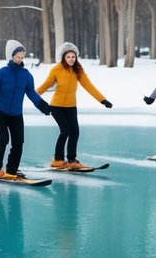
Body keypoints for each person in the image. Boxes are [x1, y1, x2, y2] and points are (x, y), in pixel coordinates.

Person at [0, 39, 52, 179]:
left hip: (15, 113)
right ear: (11, 56)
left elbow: (32, 93)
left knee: (19, 142)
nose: (20, 59)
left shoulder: (26, 75)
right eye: (18, 56)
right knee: (3, 138)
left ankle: (12, 170)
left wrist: (43, 106)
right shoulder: (2, 73)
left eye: (22, 57)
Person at [36, 42, 112, 170]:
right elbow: (45, 86)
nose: (71, 59)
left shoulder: (78, 69)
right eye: (68, 57)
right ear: (63, 57)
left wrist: (103, 100)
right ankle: (58, 160)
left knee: (75, 132)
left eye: (73, 56)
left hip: (71, 106)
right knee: (65, 131)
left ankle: (71, 160)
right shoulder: (56, 69)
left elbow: (89, 86)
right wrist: (32, 96)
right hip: (56, 106)